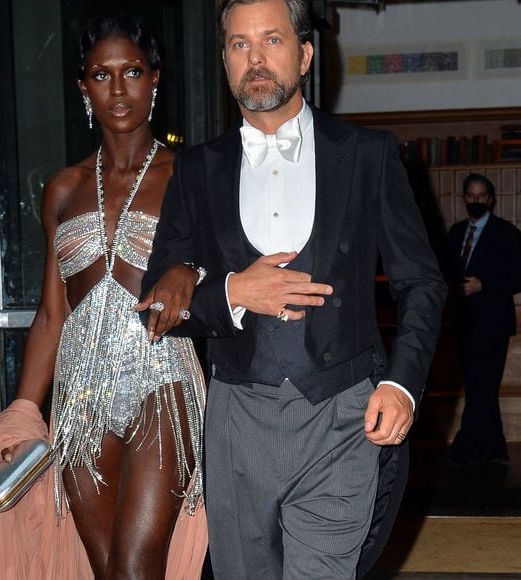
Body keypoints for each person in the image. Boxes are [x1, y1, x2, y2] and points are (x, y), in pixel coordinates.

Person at [139, 0, 447, 578]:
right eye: (238, 44)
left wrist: (402, 384)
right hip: (237, 424)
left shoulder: (366, 156)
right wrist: (232, 292)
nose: (255, 58)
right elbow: (157, 305)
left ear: (305, 54)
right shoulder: (196, 169)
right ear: (226, 62)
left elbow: (422, 282)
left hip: (343, 416)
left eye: (272, 40)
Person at [0, 15, 207, 580]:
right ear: (83, 88)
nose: (119, 89)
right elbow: (52, 314)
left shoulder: (192, 173)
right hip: (80, 395)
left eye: (133, 72)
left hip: (161, 379)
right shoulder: (63, 188)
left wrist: (190, 271)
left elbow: (220, 272)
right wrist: (21, 418)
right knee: (106, 571)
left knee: (138, 564)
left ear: (155, 79)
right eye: (102, 75)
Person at [448, 173, 521, 468]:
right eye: (471, 195)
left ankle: (471, 446)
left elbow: (518, 275)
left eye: (481, 196)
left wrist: (484, 284)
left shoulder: (507, 233)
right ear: (464, 198)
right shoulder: (455, 233)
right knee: (476, 385)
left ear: (490, 198)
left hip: (492, 322)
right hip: (463, 323)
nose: (476, 200)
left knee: (484, 385)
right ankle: (488, 448)